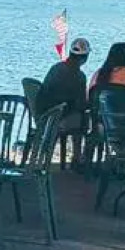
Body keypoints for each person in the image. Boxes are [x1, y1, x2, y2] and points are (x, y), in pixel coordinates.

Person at [36, 37, 91, 167]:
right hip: (58, 118)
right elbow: (80, 104)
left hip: (43, 115)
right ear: (84, 58)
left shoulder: (55, 68)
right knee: (82, 119)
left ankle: (47, 157)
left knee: (79, 116)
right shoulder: (79, 76)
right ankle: (77, 158)